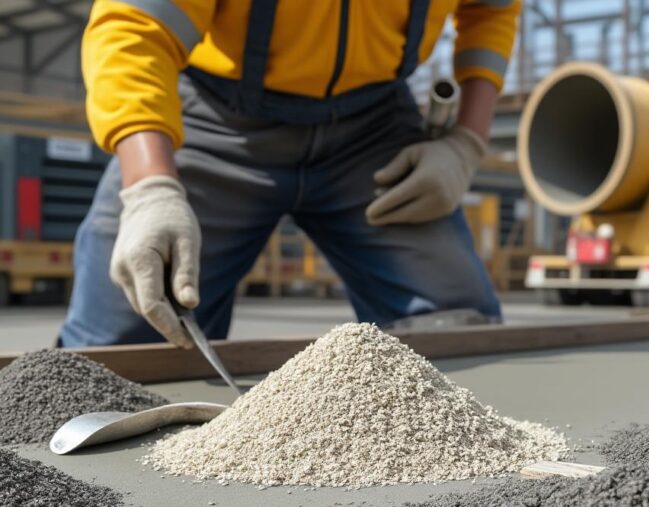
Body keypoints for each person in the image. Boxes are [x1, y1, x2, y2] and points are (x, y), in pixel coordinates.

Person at [59, 0, 514, 348]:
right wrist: (150, 188)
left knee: (456, 326)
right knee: (129, 337)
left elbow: (491, 9)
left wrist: (466, 143)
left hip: (374, 136)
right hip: (215, 120)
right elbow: (137, 25)